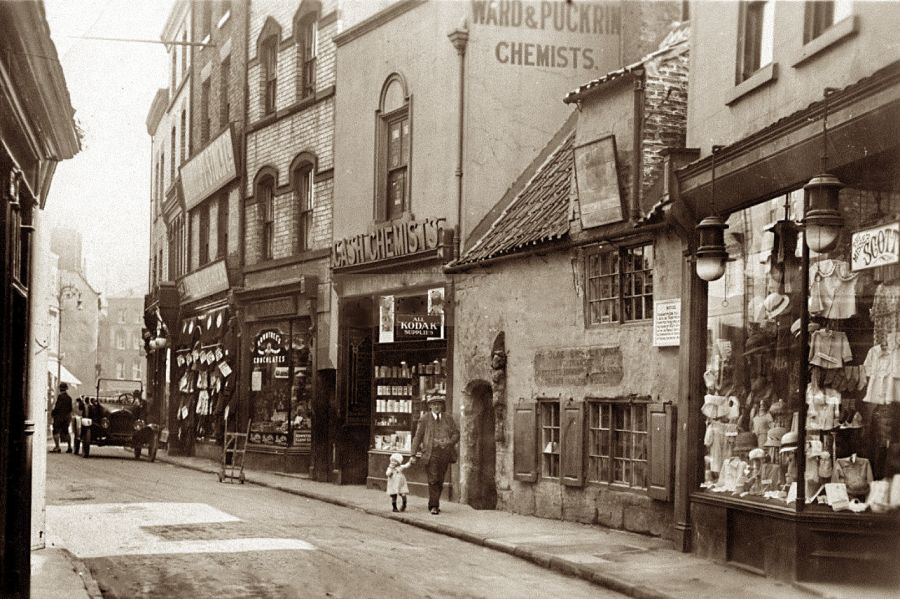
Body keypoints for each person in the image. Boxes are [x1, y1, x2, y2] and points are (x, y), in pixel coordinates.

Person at [410, 394, 459, 515]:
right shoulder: (425, 419)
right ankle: (434, 506)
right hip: (430, 453)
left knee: (440, 479)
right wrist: (413, 454)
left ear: (442, 406)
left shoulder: (448, 418)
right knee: (433, 479)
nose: (437, 407)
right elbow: (418, 437)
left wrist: (448, 442)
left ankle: (433, 502)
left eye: (439, 404)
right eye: (434, 404)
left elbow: (456, 434)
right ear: (430, 406)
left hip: (445, 453)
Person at [51, 383, 74, 453]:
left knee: (56, 431)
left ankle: (57, 447)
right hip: (66, 417)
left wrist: (53, 413)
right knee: (66, 431)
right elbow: (70, 409)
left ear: (60, 388)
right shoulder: (69, 398)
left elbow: (57, 407)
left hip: (59, 417)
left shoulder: (60, 397)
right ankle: (69, 446)